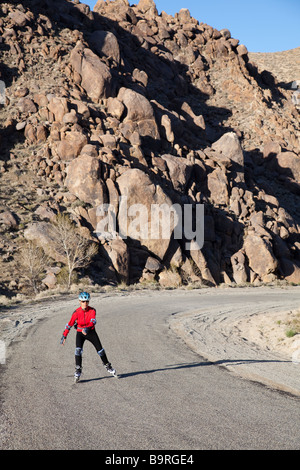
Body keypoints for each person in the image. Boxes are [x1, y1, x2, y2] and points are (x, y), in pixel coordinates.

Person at [61, 292, 117, 381]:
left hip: (91, 332)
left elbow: (93, 321)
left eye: (87, 301)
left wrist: (87, 328)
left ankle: (108, 366)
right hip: (80, 333)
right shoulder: (76, 312)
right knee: (78, 351)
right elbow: (70, 324)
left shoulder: (92, 310)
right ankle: (78, 369)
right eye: (83, 301)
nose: (85, 304)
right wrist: (64, 336)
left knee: (100, 350)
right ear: (79, 301)